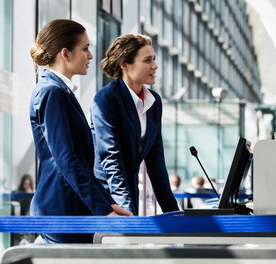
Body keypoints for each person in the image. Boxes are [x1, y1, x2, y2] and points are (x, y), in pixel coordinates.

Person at [29, 19, 131, 243]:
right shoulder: (52, 92)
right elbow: (67, 160)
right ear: (65, 54)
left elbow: (80, 163)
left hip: (71, 208)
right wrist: (103, 210)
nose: (91, 56)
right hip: (62, 211)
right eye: (85, 48)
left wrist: (108, 203)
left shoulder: (59, 91)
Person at [91, 34, 179, 215]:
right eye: (147, 60)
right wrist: (127, 213)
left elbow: (156, 162)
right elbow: (111, 159)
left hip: (128, 192)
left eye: (154, 59)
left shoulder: (154, 101)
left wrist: (174, 214)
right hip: (105, 197)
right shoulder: (106, 99)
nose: (155, 66)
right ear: (125, 65)